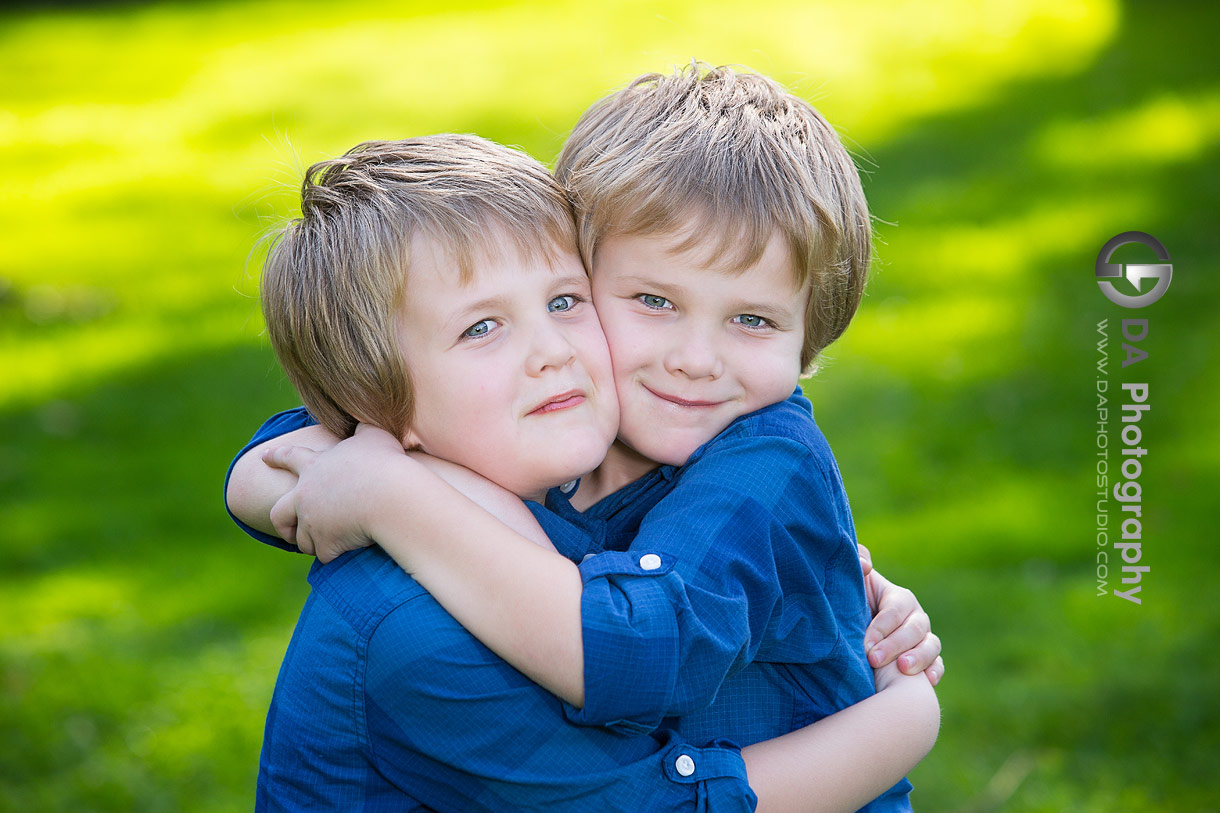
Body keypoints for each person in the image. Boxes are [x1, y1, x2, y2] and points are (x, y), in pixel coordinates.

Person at [234, 65, 940, 811]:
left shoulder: (761, 452)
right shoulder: (553, 449)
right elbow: (304, 446)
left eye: (753, 319)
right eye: (654, 300)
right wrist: (326, 485)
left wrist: (392, 493)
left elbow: (639, 650)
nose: (695, 360)